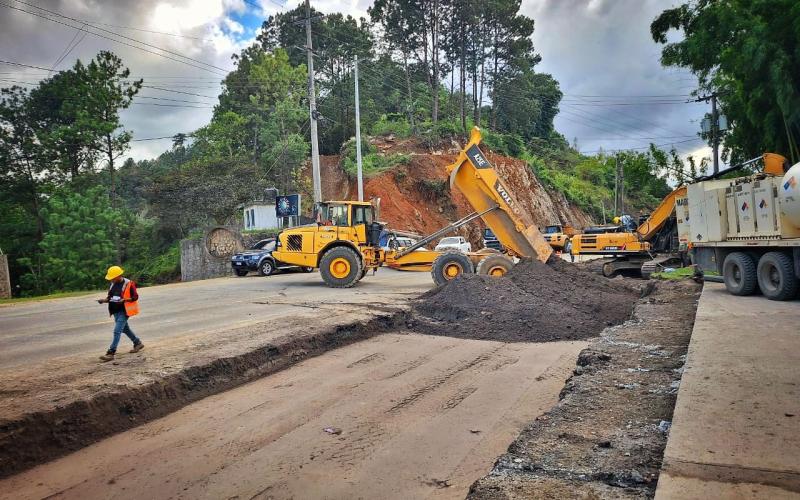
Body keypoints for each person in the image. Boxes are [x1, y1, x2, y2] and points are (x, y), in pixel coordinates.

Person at [97, 266, 144, 362]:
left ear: (119, 276)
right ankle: (137, 342)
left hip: (124, 311)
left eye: (112, 278)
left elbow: (135, 297)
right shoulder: (112, 284)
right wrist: (103, 300)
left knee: (117, 331)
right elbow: (109, 297)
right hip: (115, 311)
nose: (111, 280)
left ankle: (111, 352)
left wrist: (124, 300)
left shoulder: (129, 283)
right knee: (125, 329)